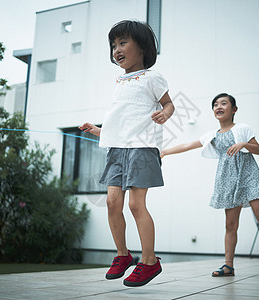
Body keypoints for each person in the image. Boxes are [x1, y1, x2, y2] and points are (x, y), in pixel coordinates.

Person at [79, 20, 174, 287]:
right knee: (111, 202)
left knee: (135, 204)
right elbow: (121, 122)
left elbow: (169, 104)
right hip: (118, 149)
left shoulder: (152, 77)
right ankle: (123, 254)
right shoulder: (119, 81)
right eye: (113, 45)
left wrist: (164, 114)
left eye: (123, 43)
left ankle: (149, 261)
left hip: (142, 147)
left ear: (142, 47)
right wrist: (98, 130)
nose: (116, 49)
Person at [161, 93, 259, 280]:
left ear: (234, 109)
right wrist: (164, 151)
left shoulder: (243, 128)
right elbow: (189, 144)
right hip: (227, 180)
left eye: (223, 103)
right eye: (215, 105)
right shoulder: (212, 135)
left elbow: (258, 150)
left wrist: (243, 143)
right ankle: (228, 266)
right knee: (230, 224)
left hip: (249, 176)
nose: (218, 107)